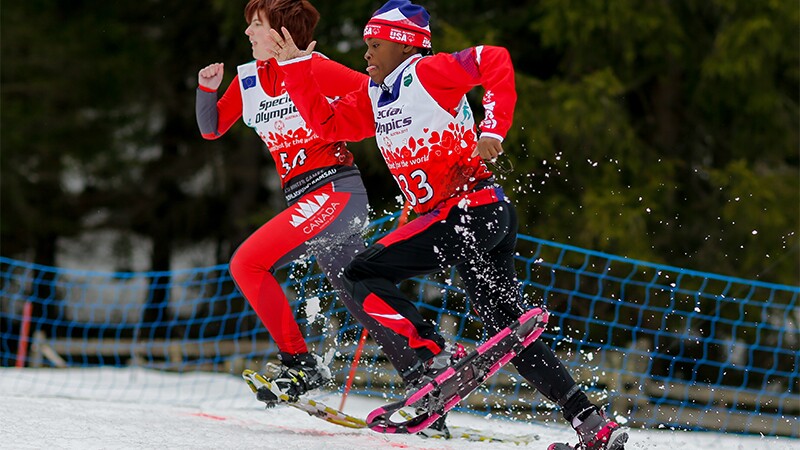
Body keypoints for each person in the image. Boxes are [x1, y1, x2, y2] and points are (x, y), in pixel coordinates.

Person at [267, 0, 630, 448]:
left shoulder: (426, 72)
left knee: (362, 271)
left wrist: (494, 128)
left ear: (402, 47)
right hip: (482, 217)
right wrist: (294, 67)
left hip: (467, 215)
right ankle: (591, 424)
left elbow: (493, 58)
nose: (366, 55)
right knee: (506, 330)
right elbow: (326, 126)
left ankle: (435, 359)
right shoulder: (377, 96)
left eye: (374, 45)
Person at [195, 0, 425, 411]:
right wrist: (207, 90)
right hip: (307, 199)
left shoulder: (313, 66)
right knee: (358, 291)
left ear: (282, 32)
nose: (247, 33)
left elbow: (378, 96)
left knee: (246, 263)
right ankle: (423, 379)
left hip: (335, 192)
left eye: (256, 25)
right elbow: (212, 129)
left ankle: (299, 363)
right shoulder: (248, 79)